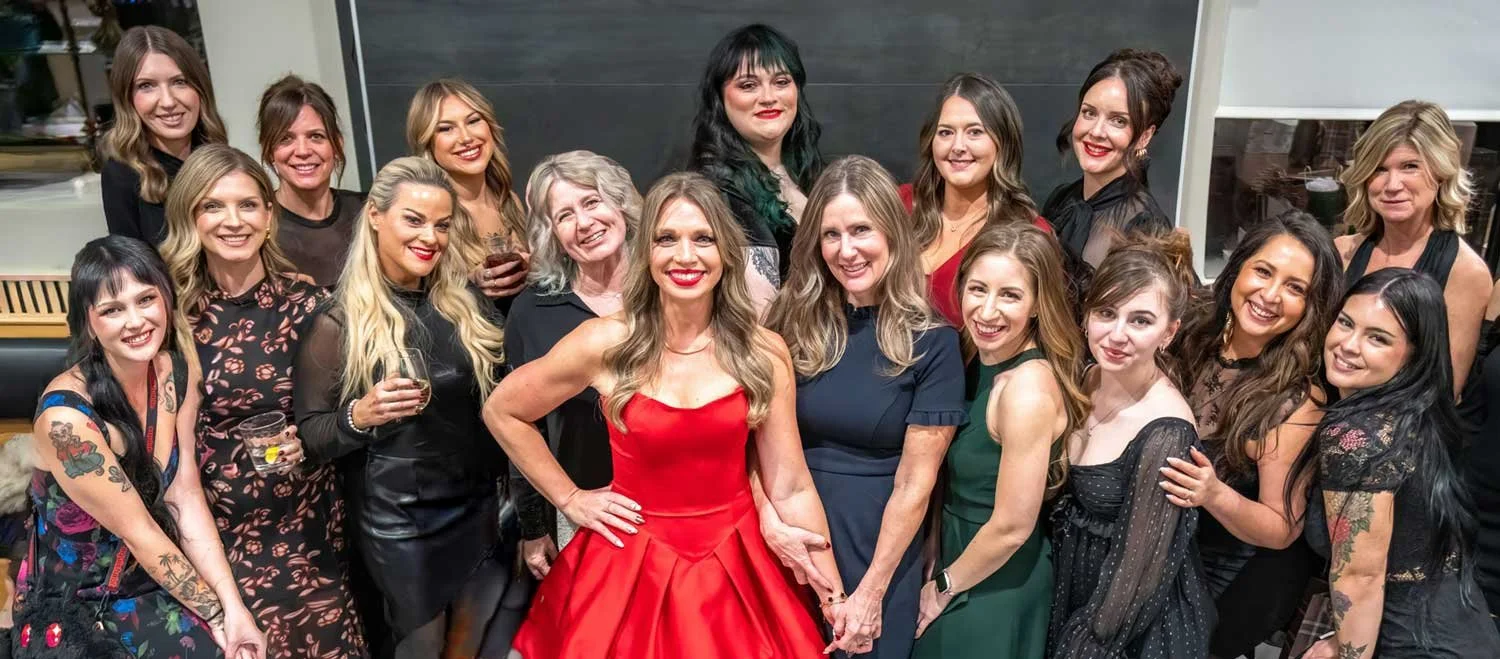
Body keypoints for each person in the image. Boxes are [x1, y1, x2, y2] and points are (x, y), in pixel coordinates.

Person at [486, 172, 861, 657]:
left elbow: (790, 485)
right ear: (647, 253)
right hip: (630, 566)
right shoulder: (606, 342)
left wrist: (832, 593)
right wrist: (571, 499)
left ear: (726, 252)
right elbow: (504, 411)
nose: (685, 256)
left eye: (702, 238)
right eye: (667, 239)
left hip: (742, 565)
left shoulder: (763, 353)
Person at [293, 157, 522, 657]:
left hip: (480, 505)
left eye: (442, 225)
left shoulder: (464, 303)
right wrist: (362, 415)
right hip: (401, 522)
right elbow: (311, 435)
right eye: (413, 220)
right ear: (375, 216)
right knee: (421, 647)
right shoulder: (337, 321)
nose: (430, 238)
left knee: (472, 641)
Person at [160, 145, 365, 657]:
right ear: (191, 217)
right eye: (213, 206)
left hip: (313, 525)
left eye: (248, 205)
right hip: (223, 532)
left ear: (269, 214)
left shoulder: (314, 306)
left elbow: (346, 417)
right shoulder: (172, 319)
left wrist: (312, 442)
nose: (234, 221)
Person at [21, 235, 264, 657]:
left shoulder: (174, 372)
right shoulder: (67, 419)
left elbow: (184, 498)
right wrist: (220, 619)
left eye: (146, 299)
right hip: (81, 608)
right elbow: (141, 532)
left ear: (166, 299)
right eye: (113, 310)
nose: (135, 321)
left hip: (151, 581)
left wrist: (234, 607)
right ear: (88, 323)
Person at [764, 155, 966, 658]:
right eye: (831, 234)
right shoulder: (786, 324)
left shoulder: (934, 344)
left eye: (861, 230)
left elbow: (915, 485)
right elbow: (746, 437)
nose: (846, 250)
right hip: (786, 546)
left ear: (893, 235)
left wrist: (871, 592)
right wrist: (768, 517)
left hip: (875, 554)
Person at [1162, 211, 1342, 658]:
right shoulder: (1193, 334)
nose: (1271, 295)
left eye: (1295, 288)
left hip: (1229, 575)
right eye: (1263, 271)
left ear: (1312, 306)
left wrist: (1214, 494)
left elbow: (1281, 529)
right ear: (1238, 267)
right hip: (1163, 553)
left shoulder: (1297, 397)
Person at [1302, 269, 1500, 658]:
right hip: (1464, 634)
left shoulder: (1355, 435)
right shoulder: (1417, 414)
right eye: (1346, 322)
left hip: (1413, 644)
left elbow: (1361, 576)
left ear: (1414, 354)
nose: (1348, 344)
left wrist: (1345, 651)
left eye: (1377, 338)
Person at [911, 222, 1086, 659]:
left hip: (994, 578)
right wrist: (934, 544)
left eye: (1009, 295)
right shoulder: (972, 356)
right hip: (955, 551)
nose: (987, 312)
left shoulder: (1026, 390)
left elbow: (1012, 526)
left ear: (1037, 305)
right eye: (977, 289)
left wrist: (943, 587)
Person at [1048, 232, 1213, 658]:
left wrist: (1086, 644)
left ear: (1169, 333)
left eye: (1140, 320)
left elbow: (1138, 573)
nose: (1117, 334)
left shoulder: (1167, 432)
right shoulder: (1088, 379)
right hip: (1076, 592)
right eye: (1106, 313)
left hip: (1129, 628)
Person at [506, 150, 640, 576]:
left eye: (592, 202)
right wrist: (541, 519)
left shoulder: (672, 284)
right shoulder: (534, 310)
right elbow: (520, 423)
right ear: (552, 235)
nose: (584, 223)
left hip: (685, 506)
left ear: (620, 203)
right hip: (592, 516)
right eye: (564, 216)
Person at [1334, 100, 1491, 392]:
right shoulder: (1341, 252)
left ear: (1441, 172)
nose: (1392, 184)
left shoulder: (1465, 272)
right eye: (1379, 169)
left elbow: (1445, 391)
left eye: (1410, 167)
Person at [690, 24, 826, 313]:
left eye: (780, 81)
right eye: (748, 85)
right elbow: (754, 314)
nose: (768, 97)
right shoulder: (715, 191)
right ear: (720, 98)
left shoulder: (813, 175)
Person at [901, 73, 1049, 327]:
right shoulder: (900, 204)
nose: (958, 145)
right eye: (946, 132)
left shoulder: (1029, 232)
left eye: (975, 132)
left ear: (1002, 143)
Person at [1042, 49, 1181, 269]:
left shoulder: (1144, 227)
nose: (1096, 131)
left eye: (1118, 121)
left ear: (1144, 137)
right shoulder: (1061, 200)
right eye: (1089, 113)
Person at [406, 78, 530, 308]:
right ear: (427, 142)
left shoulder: (509, 200)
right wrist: (470, 287)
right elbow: (416, 305)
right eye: (446, 128)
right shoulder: (427, 217)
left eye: (473, 121)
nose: (466, 138)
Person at [101, 25, 228, 247]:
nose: (168, 102)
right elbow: (133, 270)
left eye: (179, 82)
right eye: (147, 86)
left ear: (199, 87)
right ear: (127, 98)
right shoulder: (121, 174)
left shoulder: (220, 155)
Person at [257, 74, 366, 286]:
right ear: (269, 151)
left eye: (316, 136)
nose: (303, 151)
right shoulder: (257, 229)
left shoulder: (368, 213)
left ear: (337, 145)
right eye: (285, 139)